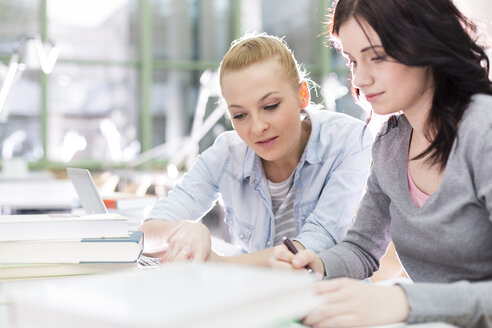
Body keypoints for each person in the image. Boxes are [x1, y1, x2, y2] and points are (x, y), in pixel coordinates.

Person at [271, 0, 492, 326]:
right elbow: (362, 247)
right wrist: (316, 265)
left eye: (376, 56)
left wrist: (403, 299)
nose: (359, 79)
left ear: (425, 42)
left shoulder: (483, 128)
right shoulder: (390, 143)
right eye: (352, 60)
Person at [138, 33, 373, 267]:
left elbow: (314, 243)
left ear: (302, 95)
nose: (258, 127)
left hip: (331, 297)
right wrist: (183, 231)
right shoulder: (226, 154)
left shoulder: (349, 140)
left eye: (270, 106)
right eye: (240, 115)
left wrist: (218, 263)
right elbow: (146, 233)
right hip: (256, 296)